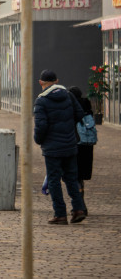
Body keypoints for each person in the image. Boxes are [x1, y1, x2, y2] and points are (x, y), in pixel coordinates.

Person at [33, 69, 87, 224]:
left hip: (52, 148)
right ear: (56, 81)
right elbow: (79, 114)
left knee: (54, 180)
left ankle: (60, 214)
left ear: (41, 82)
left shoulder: (41, 101)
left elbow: (40, 126)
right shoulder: (68, 95)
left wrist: (39, 140)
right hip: (70, 144)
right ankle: (78, 209)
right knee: (71, 178)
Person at [68, 85, 94, 215]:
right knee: (80, 176)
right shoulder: (87, 104)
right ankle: (81, 201)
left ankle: (80, 205)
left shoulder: (70, 106)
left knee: (73, 176)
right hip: (87, 145)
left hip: (74, 143)